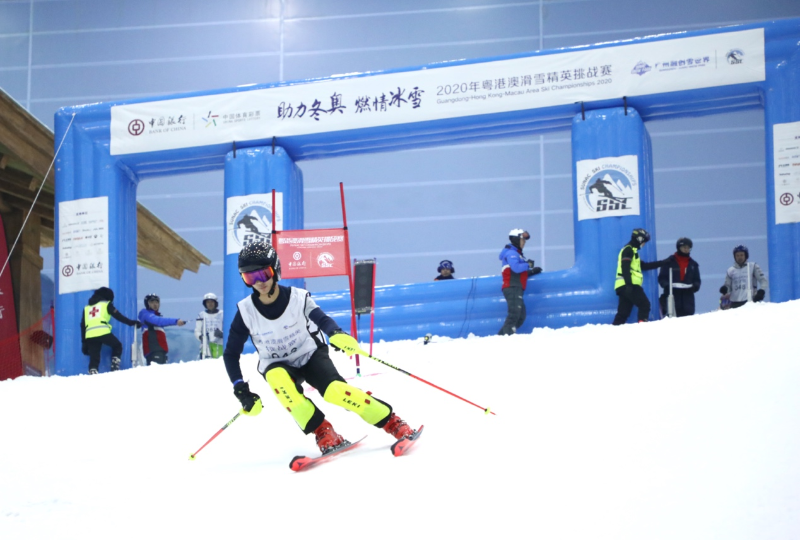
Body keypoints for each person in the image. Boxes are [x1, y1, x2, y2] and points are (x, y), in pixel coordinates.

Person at [224, 240, 418, 455]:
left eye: (263, 274)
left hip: (310, 355)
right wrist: (240, 388)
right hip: (277, 363)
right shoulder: (245, 312)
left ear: (275, 269)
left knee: (336, 392)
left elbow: (322, 319)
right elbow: (231, 353)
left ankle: (392, 422)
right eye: (250, 277)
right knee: (278, 381)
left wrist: (336, 334)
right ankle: (324, 432)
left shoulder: (298, 297)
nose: (259, 282)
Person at [612, 228, 668, 325]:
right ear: (639, 239)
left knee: (623, 313)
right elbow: (625, 267)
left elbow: (644, 266)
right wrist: (629, 284)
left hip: (623, 286)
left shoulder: (633, 252)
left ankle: (614, 330)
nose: (644, 244)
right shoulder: (628, 250)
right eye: (644, 241)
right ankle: (642, 328)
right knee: (644, 304)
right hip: (629, 285)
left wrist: (663, 263)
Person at [80, 286, 140, 375]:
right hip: (102, 331)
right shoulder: (106, 304)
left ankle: (93, 371)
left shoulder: (87, 308)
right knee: (117, 345)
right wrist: (131, 322)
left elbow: (82, 325)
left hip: (90, 334)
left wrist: (84, 343)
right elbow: (118, 316)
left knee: (94, 356)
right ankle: (115, 364)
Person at [498, 228, 542, 335]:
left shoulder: (517, 254)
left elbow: (519, 273)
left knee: (520, 316)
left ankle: (502, 337)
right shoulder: (511, 253)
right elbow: (516, 268)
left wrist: (532, 271)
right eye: (523, 240)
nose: (524, 243)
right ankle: (505, 338)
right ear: (516, 239)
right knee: (514, 315)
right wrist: (528, 265)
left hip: (516, 287)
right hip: (512, 287)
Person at [658, 237, 701, 317]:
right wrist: (667, 285)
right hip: (672, 296)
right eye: (684, 247)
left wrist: (695, 286)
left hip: (687, 299)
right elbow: (662, 278)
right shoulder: (669, 262)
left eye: (688, 248)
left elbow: (697, 280)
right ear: (679, 247)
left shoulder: (693, 265)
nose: (686, 249)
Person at [138, 294, 186, 365]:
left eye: (157, 302)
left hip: (160, 351)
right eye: (152, 302)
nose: (155, 304)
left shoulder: (155, 316)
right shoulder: (146, 314)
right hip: (154, 351)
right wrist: (176, 321)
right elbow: (158, 321)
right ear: (147, 304)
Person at [719, 245, 768, 309]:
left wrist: (761, 291)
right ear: (734, 257)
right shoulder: (730, 270)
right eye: (737, 255)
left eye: (742, 255)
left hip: (750, 301)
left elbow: (763, 280)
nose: (740, 257)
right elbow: (728, 286)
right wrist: (725, 289)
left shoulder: (752, 266)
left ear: (746, 256)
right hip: (734, 302)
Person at [195, 292, 224, 359]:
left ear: (215, 303)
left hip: (220, 345)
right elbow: (197, 330)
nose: (210, 304)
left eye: (212, 302)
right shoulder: (201, 315)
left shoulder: (223, 314)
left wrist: (222, 334)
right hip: (206, 345)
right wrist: (201, 337)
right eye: (208, 302)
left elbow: (229, 329)